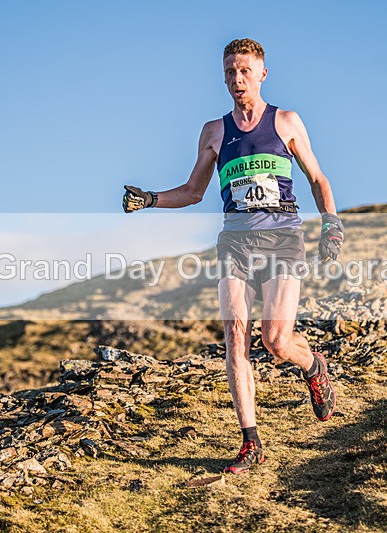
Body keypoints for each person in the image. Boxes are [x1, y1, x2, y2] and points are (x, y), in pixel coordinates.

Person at [122, 38, 342, 474]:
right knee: (235, 339)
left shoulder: (286, 122)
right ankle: (251, 442)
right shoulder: (214, 132)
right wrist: (149, 199)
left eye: (244, 71)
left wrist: (331, 224)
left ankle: (313, 365)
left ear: (262, 73)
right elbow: (192, 192)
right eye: (229, 72)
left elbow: (317, 178)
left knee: (276, 341)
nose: (237, 79)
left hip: (281, 239)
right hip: (236, 244)